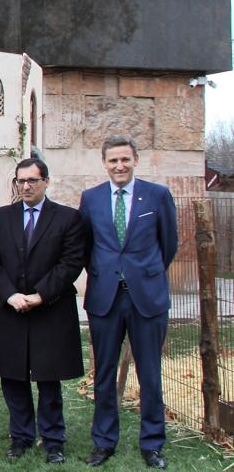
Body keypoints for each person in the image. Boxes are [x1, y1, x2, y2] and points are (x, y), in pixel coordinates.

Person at [79, 135, 177, 469]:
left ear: (136, 159)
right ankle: (104, 442)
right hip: (105, 299)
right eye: (112, 161)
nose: (119, 166)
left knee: (149, 374)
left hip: (146, 299)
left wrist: (144, 274)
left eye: (125, 159)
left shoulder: (157, 195)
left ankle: (152, 444)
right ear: (104, 163)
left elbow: (169, 245)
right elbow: (86, 244)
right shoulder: (90, 199)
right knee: (104, 374)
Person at [0, 158, 84, 464]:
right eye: (21, 181)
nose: (26, 186)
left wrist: (40, 295)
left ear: (46, 182)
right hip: (9, 308)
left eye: (32, 181)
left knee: (48, 378)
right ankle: (21, 436)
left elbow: (70, 263)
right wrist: (10, 294)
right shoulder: (2, 217)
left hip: (49, 309)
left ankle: (53, 440)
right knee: (13, 377)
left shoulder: (67, 218)